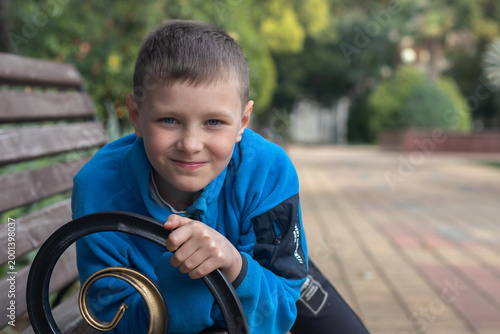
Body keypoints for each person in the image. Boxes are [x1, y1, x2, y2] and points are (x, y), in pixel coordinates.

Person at [73, 19, 368, 334]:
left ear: (242, 122)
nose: (190, 145)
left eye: (213, 122)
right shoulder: (99, 188)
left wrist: (233, 263)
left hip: (265, 272)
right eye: (169, 120)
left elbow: (280, 308)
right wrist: (185, 280)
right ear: (136, 116)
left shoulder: (267, 169)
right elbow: (109, 321)